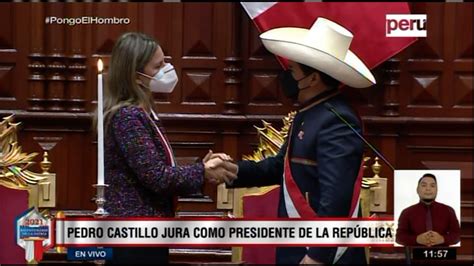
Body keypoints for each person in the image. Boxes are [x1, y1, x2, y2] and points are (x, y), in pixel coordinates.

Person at [225, 17, 376, 264]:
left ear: (313, 78)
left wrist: (317, 255)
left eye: (292, 70)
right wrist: (232, 170)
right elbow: (280, 168)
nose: (287, 76)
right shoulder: (309, 113)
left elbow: (336, 196)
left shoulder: (336, 120)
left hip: (321, 256)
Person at [99, 32, 238, 264]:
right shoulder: (128, 117)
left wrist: (201, 167)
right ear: (137, 77)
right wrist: (203, 171)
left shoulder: (142, 111)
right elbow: (156, 177)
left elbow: (157, 170)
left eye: (165, 61)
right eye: (159, 65)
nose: (167, 68)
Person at [396, 173, 461, 247]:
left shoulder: (448, 211)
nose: (428, 189)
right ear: (417, 190)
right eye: (424, 185)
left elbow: (457, 235)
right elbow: (399, 237)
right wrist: (417, 239)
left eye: (432, 186)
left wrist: (442, 239)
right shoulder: (407, 212)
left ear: (437, 190)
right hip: (415, 256)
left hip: (443, 256)